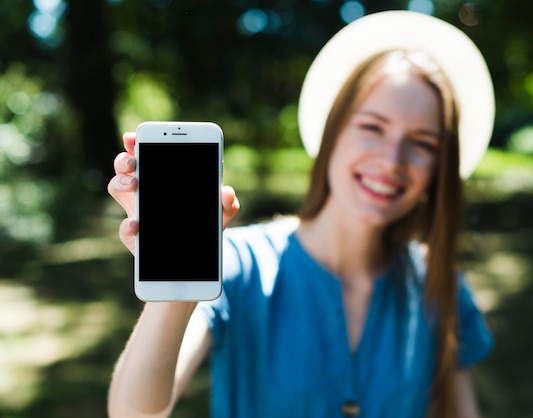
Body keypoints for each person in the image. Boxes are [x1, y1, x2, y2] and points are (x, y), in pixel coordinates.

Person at [106, 10, 496, 418]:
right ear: (334, 129)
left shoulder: (439, 284)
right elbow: (135, 412)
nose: (392, 161)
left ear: (440, 167)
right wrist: (175, 284)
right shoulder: (239, 264)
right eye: (373, 127)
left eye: (423, 143)